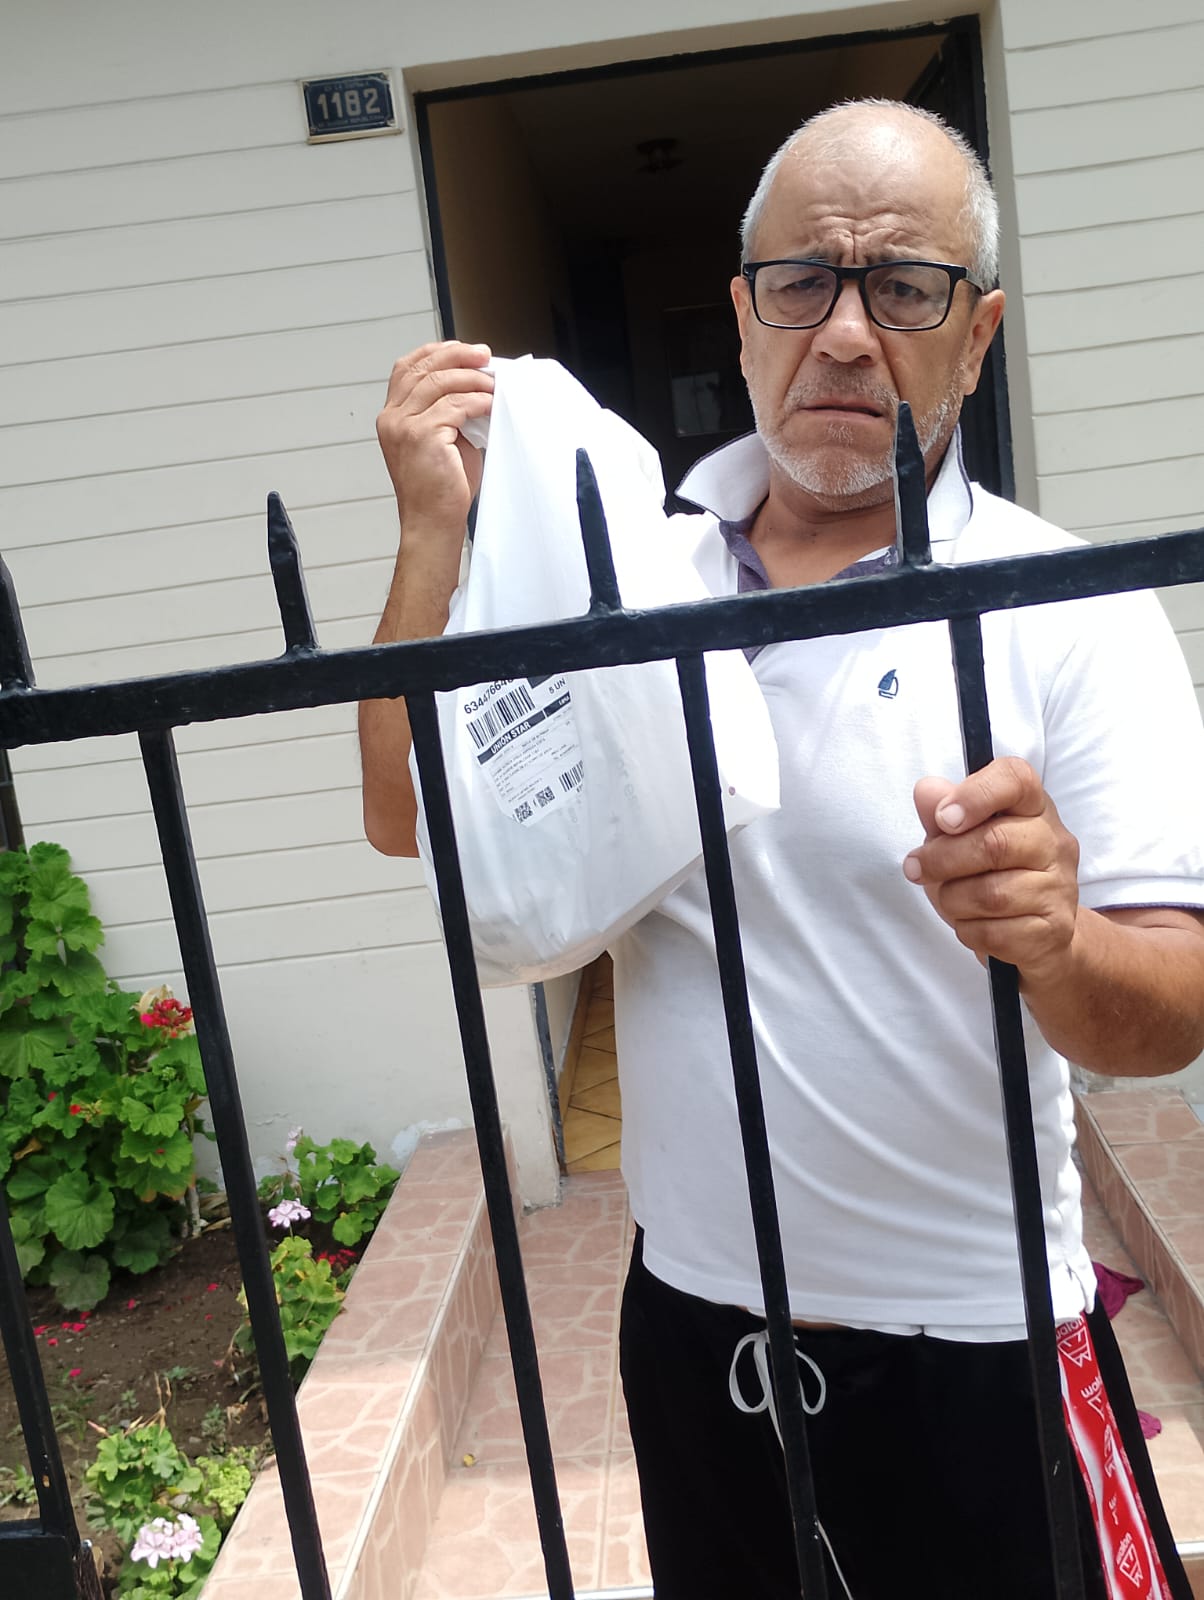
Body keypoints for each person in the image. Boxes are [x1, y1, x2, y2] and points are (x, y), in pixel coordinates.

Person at [360, 100, 1204, 1600]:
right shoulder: (632, 577)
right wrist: (435, 537)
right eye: (804, 281)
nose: (847, 333)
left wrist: (1058, 940)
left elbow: (1173, 1009)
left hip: (973, 1346)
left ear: (978, 333)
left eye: (906, 287)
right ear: (745, 317)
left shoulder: (1068, 607)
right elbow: (406, 814)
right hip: (692, 1329)